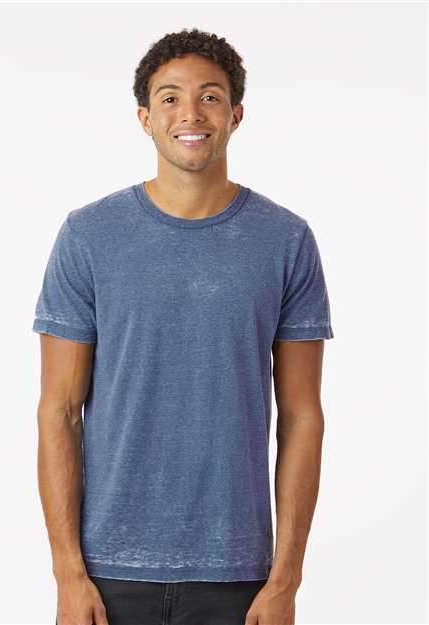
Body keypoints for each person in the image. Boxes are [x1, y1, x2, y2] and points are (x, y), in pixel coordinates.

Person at [32, 27, 334, 625]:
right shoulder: (89, 236)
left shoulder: (286, 240)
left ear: (236, 115)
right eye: (170, 98)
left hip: (239, 576)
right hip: (107, 575)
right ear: (145, 118)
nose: (190, 113)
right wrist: (67, 573)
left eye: (210, 97)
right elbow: (59, 412)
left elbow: (303, 415)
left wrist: (286, 580)